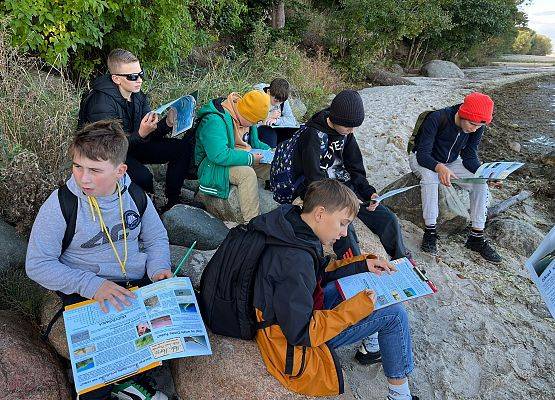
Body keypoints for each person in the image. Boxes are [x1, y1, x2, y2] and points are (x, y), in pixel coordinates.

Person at [26, 120, 171, 400]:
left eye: (94, 170)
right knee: (106, 354)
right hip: (87, 287)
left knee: (178, 321)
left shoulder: (135, 196)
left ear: (120, 171)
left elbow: (156, 238)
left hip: (136, 280)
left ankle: (129, 384)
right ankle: (113, 388)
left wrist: (159, 268)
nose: (84, 178)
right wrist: (92, 286)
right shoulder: (61, 204)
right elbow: (37, 264)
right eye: (78, 167)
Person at [252, 179, 417, 399]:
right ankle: (400, 395)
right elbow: (302, 333)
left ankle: (374, 345)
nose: (343, 233)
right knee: (394, 315)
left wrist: (362, 264)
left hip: (301, 308)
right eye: (342, 223)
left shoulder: (293, 225)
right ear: (320, 214)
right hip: (296, 339)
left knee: (363, 284)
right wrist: (359, 307)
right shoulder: (295, 261)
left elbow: (319, 271)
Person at [78, 48, 194, 211]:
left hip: (132, 145)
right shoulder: (101, 103)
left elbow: (149, 134)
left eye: (141, 74)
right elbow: (109, 146)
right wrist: (141, 134)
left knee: (181, 148)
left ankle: (173, 201)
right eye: (133, 76)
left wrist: (166, 124)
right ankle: (144, 209)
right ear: (116, 78)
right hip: (104, 153)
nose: (139, 80)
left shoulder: (137, 94)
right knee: (143, 177)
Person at [408, 92, 502, 263]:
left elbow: (469, 156)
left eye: (478, 127)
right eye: (472, 124)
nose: (474, 129)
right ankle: (430, 231)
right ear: (462, 113)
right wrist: (439, 167)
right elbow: (422, 155)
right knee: (430, 178)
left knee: (480, 182)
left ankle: (476, 236)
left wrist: (486, 174)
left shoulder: (477, 125)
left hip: (451, 162)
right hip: (424, 160)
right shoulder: (437, 118)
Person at [194, 90, 271, 223]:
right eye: (254, 121)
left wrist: (272, 152)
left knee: (272, 167)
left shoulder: (247, 119)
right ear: (247, 114)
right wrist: (250, 159)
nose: (255, 125)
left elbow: (255, 143)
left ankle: (284, 204)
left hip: (240, 157)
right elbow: (219, 155)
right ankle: (252, 223)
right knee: (247, 174)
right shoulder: (215, 120)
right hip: (212, 166)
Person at [253, 78, 299, 147]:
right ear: (268, 92)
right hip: (257, 130)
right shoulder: (258, 96)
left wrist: (276, 121)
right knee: (269, 133)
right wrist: (268, 115)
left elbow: (292, 121)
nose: (278, 104)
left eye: (281, 102)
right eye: (276, 101)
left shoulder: (281, 98)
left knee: (291, 134)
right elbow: (250, 120)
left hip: (274, 129)